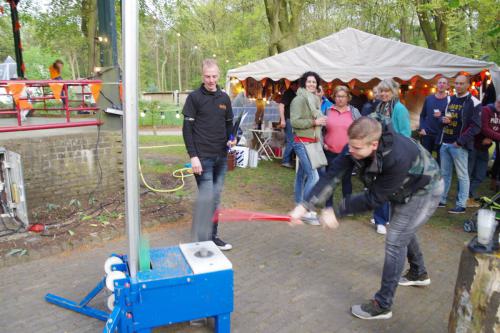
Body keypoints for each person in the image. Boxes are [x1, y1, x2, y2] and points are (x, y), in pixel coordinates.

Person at [290, 117, 443, 320]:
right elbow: (332, 175)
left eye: (356, 148)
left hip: (424, 189)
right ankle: (418, 273)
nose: (350, 151)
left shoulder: (397, 156)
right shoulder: (356, 144)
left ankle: (383, 305)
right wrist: (305, 205)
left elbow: (375, 198)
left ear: (374, 144)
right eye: (350, 145)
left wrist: (337, 211)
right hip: (403, 188)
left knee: (396, 238)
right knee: (403, 230)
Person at [182, 59, 235, 251]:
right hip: (202, 158)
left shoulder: (224, 98)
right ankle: (203, 240)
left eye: (214, 76)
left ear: (218, 76)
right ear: (202, 76)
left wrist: (232, 138)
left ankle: (212, 237)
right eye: (207, 76)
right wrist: (193, 156)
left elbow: (229, 124)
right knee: (207, 198)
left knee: (216, 198)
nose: (211, 80)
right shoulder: (194, 98)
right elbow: (187, 129)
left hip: (221, 156)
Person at [371, 79, 411, 235]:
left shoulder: (399, 109)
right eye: (381, 91)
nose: (383, 93)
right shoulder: (380, 107)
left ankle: (385, 218)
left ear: (393, 92)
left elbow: (405, 133)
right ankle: (380, 219)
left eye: (386, 91)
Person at [438, 74, 481, 214]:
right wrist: (443, 120)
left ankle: (461, 204)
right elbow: (445, 117)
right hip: (446, 141)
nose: (458, 86)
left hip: (459, 144)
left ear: (468, 85)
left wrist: (460, 141)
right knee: (445, 174)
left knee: (462, 175)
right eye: (456, 83)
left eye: (461, 83)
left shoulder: (474, 102)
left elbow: (476, 127)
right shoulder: (450, 98)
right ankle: (442, 199)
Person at [290, 71, 326, 225]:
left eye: (314, 82)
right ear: (304, 83)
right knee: (314, 176)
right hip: (302, 142)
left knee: (301, 175)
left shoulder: (313, 100)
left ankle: (299, 205)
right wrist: (314, 123)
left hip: (311, 142)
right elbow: (294, 122)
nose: (312, 84)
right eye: (309, 81)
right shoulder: (299, 100)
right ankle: (305, 209)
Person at [323, 86, 361, 204]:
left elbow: (360, 130)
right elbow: (321, 130)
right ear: (334, 97)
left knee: (346, 179)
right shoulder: (328, 110)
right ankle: (328, 206)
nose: (340, 99)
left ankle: (347, 206)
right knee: (330, 180)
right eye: (337, 96)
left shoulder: (354, 112)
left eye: (343, 96)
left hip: (347, 152)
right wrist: (323, 143)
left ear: (348, 98)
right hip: (329, 151)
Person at [468, 94, 500, 203]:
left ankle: (470, 193)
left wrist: (491, 138)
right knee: (468, 172)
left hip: (485, 147)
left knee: (480, 175)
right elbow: (483, 128)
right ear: (497, 101)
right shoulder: (485, 110)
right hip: (473, 144)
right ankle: (465, 195)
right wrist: (494, 136)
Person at [418, 77, 450, 162]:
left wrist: (442, 115)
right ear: (436, 85)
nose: (441, 84)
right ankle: (427, 175)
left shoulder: (450, 100)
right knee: (426, 159)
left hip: (441, 135)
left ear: (447, 86)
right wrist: (422, 128)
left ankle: (439, 174)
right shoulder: (429, 99)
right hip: (427, 134)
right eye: (439, 82)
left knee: (441, 159)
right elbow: (422, 116)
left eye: (444, 83)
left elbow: (451, 117)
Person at [279, 81, 298, 168]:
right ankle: (285, 160)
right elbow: (281, 105)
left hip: (292, 120)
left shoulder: (293, 93)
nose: (298, 87)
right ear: (293, 85)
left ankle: (288, 160)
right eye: (297, 86)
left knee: (292, 141)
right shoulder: (288, 93)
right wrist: (283, 120)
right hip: (289, 120)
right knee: (291, 141)